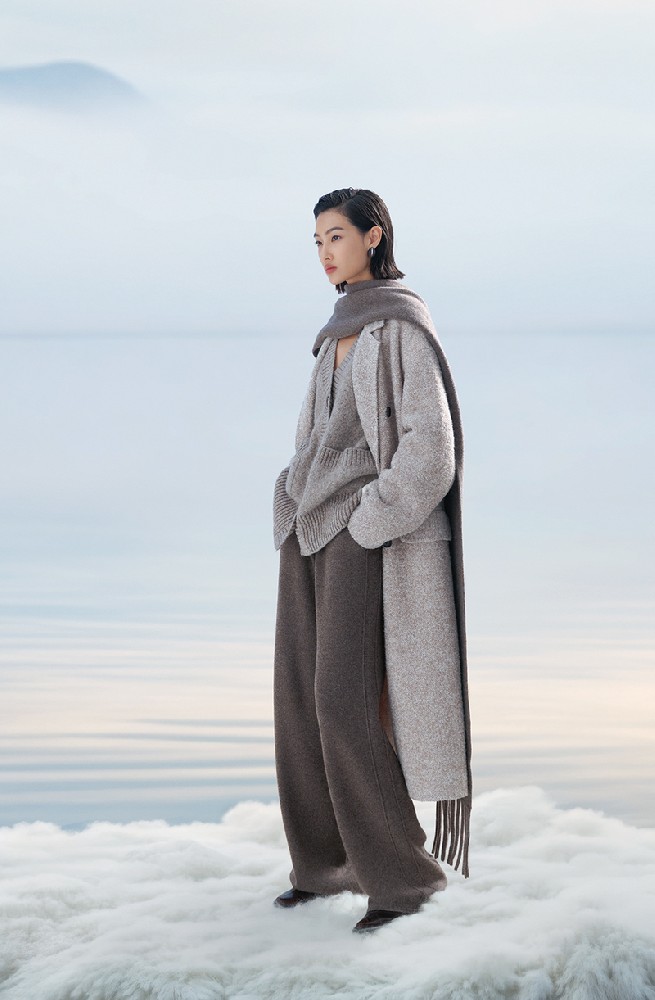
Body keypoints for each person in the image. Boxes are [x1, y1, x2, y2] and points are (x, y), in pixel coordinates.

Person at [272, 187, 472, 934]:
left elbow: (431, 449)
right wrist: (290, 496)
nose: (325, 252)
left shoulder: (400, 327)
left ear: (374, 235)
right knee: (300, 704)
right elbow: (317, 441)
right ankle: (325, 867)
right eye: (316, 241)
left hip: (363, 535)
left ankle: (405, 878)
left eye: (336, 236)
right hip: (308, 529)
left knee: (343, 704)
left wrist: (369, 521)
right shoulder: (335, 332)